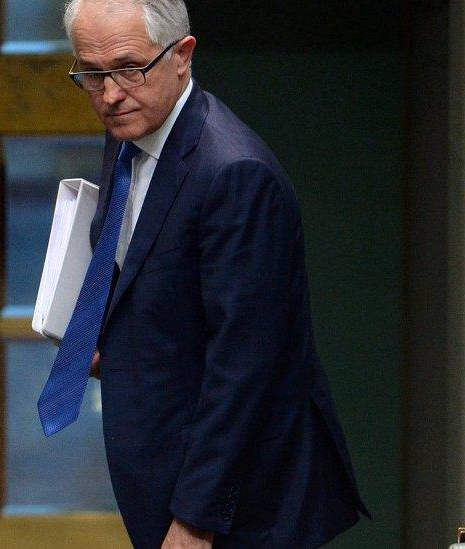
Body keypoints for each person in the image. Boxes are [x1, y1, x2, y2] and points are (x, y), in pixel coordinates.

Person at [35, 1, 370, 546]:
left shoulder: (235, 175)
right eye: (91, 75)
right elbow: (136, 255)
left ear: (182, 56)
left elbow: (245, 369)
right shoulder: (132, 126)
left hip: (239, 506)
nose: (110, 94)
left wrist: (195, 520)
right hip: (161, 460)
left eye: (128, 68)